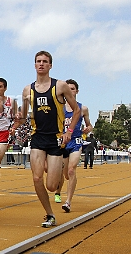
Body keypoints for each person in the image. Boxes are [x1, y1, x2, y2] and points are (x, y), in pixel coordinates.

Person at [12, 51, 80, 228]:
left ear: (50, 65)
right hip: (37, 138)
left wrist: (69, 131)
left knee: (51, 186)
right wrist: (18, 118)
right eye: (38, 61)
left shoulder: (60, 86)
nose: (41, 64)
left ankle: (57, 173)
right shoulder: (28, 89)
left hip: (56, 139)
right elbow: (25, 113)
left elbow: (76, 111)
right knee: (36, 178)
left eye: (45, 61)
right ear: (34, 65)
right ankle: (50, 214)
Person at [52, 79, 92, 212]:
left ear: (77, 91)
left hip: (76, 141)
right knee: (65, 175)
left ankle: (68, 201)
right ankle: (60, 191)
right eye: (68, 89)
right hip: (62, 143)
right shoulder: (60, 108)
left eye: (73, 89)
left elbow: (89, 125)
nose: (70, 91)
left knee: (71, 169)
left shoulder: (82, 108)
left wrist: (88, 129)